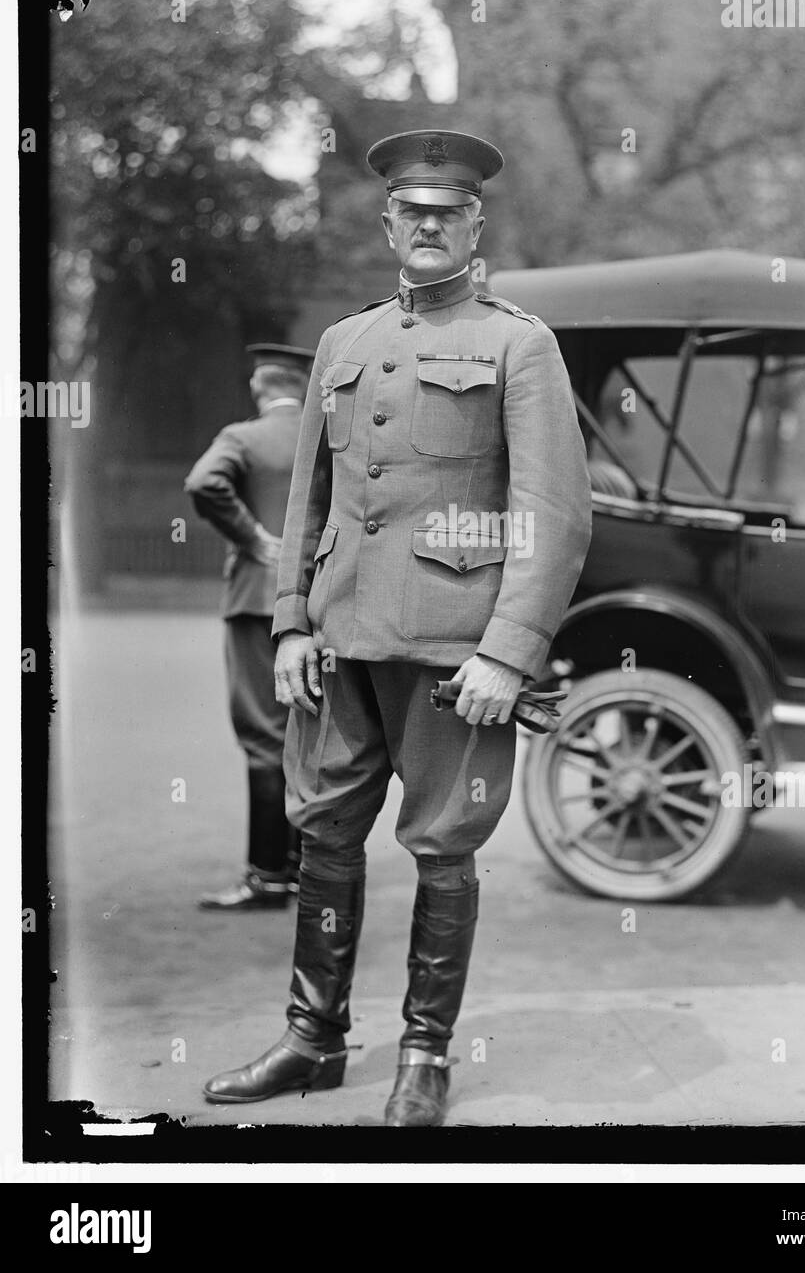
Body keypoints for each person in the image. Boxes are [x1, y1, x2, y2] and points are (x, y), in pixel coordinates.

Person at [203, 130, 593, 1125]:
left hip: (455, 652)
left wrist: (510, 649)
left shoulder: (519, 344)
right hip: (338, 644)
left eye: (446, 211)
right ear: (387, 223)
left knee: (442, 842)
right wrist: (290, 622)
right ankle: (311, 1037)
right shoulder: (345, 343)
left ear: (474, 223)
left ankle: (423, 1053)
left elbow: (553, 514)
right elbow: (310, 502)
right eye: (409, 210)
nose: (426, 224)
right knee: (323, 833)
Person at [184, 344, 317, 909]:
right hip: (318, 604)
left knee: (264, 737)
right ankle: (303, 869)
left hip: (257, 600)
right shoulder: (326, 436)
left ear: (259, 388)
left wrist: (251, 537)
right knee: (308, 736)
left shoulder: (242, 436)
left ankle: (267, 877)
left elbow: (203, 483)